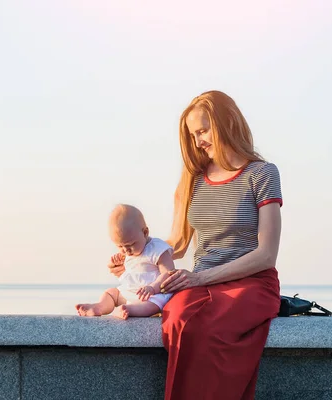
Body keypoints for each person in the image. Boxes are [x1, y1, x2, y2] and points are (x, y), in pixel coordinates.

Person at [108, 91, 283, 399]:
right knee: (175, 318)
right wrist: (137, 256)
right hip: (200, 283)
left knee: (205, 327)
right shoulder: (193, 179)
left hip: (251, 283)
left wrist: (200, 277)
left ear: (226, 122)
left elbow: (266, 255)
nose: (198, 140)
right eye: (193, 135)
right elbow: (175, 243)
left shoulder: (262, 174)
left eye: (203, 130)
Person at [76, 204, 175, 320]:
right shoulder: (130, 251)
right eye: (120, 246)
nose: (126, 250)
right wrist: (119, 264)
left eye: (130, 245)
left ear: (145, 232)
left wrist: (153, 288)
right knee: (111, 293)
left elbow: (168, 274)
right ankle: (99, 307)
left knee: (153, 304)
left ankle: (130, 310)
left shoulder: (157, 249)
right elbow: (132, 272)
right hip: (132, 292)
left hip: (153, 295)